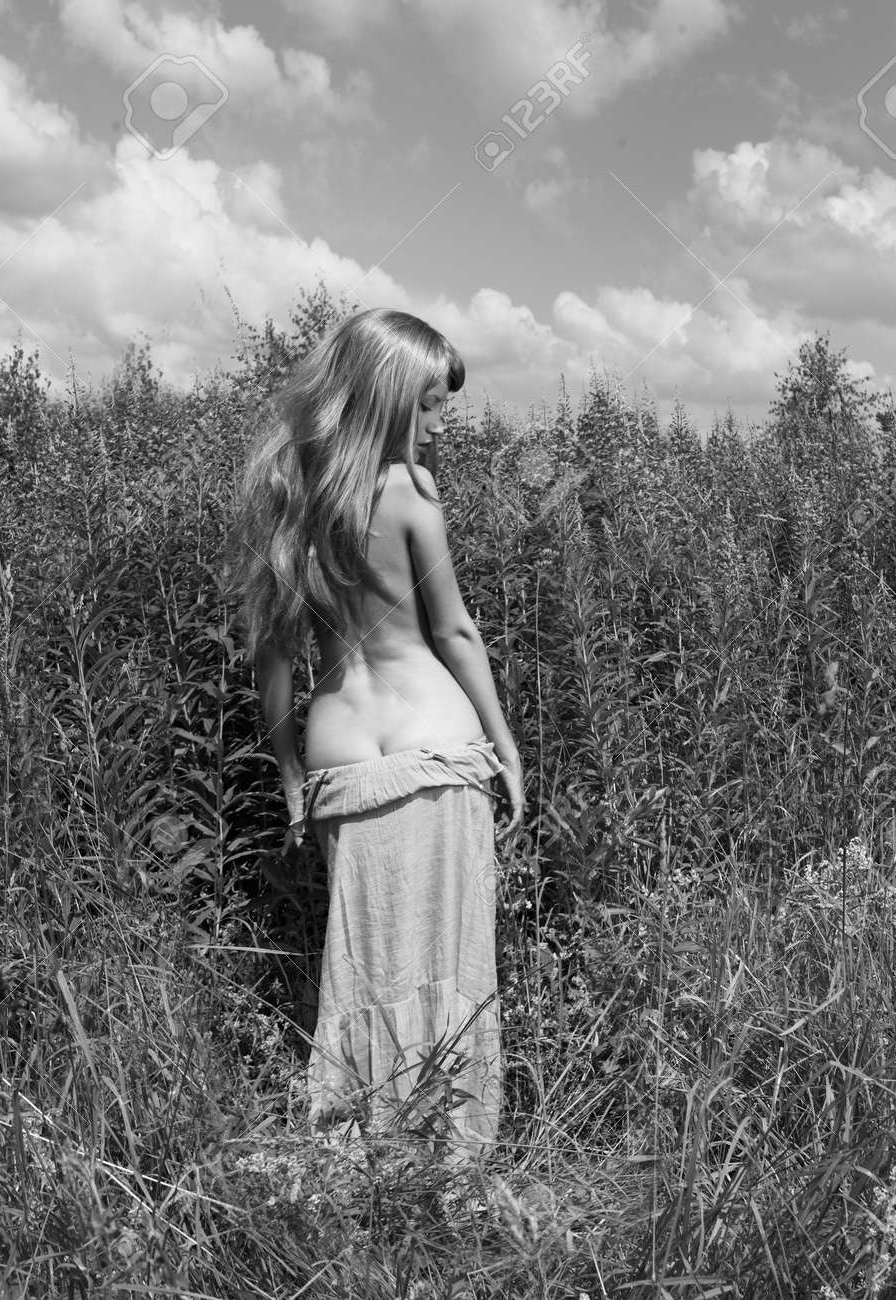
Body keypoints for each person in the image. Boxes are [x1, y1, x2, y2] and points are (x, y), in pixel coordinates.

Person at [224, 306, 524, 1156]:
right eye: (429, 405)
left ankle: (358, 1152)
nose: (438, 424)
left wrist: (289, 775)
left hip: (341, 756)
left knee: (360, 962)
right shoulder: (411, 495)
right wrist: (506, 748)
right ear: (390, 397)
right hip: (434, 744)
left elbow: (273, 660)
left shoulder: (287, 496)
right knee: (450, 964)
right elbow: (456, 632)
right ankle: (448, 1158)